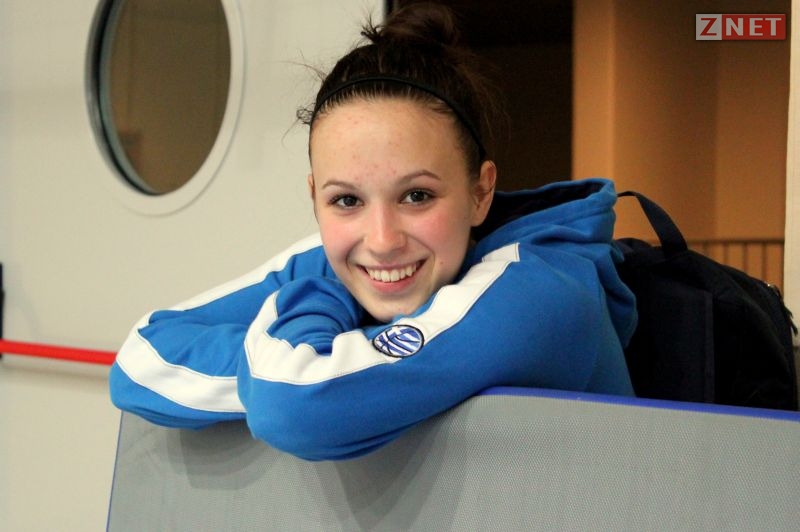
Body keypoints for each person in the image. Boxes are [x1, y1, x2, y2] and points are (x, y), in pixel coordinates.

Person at [109, 3, 637, 461]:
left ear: (480, 192)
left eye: (417, 196)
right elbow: (140, 359)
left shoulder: (541, 294)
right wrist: (313, 356)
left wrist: (315, 331)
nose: (382, 241)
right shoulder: (338, 263)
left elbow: (291, 403)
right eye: (346, 201)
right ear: (314, 196)